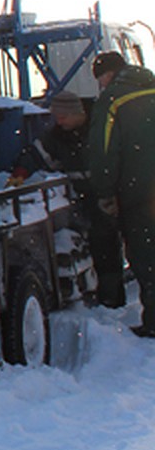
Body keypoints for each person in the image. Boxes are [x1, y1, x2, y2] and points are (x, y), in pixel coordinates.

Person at [10, 89, 125, 307]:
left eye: (62, 117)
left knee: (116, 248)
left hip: (113, 196)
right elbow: (35, 155)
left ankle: (115, 300)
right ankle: (107, 299)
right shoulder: (57, 137)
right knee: (101, 246)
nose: (59, 121)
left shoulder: (101, 129)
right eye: (56, 117)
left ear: (76, 113)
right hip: (87, 201)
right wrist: (20, 174)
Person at [89, 51, 155, 335]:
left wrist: (104, 191)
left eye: (100, 79)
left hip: (138, 193)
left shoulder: (113, 99)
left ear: (109, 74)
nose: (101, 85)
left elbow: (103, 150)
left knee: (147, 258)